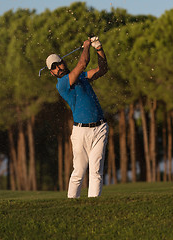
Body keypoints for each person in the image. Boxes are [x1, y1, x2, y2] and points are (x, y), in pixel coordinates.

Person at [46, 36, 109, 198]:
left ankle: (93, 206)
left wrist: (99, 49)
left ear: (63, 62)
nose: (57, 68)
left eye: (58, 63)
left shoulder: (82, 77)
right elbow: (82, 63)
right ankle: (72, 204)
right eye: (53, 68)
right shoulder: (62, 84)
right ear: (52, 73)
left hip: (100, 128)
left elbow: (102, 69)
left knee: (96, 171)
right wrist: (87, 46)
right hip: (81, 132)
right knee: (79, 171)